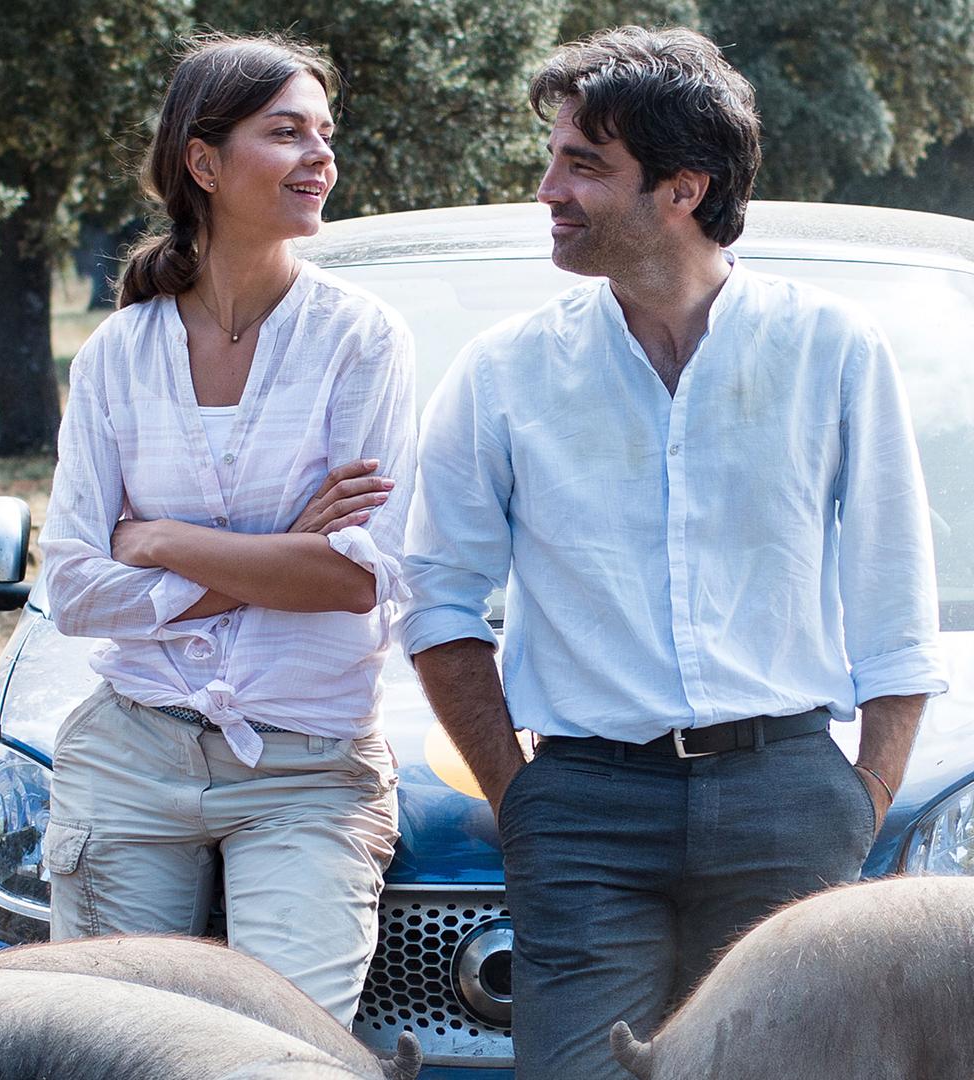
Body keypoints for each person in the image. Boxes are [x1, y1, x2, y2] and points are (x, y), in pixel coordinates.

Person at [399, 25, 948, 1079]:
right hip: (583, 808)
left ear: (683, 188)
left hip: (787, 799)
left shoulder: (830, 347)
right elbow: (436, 603)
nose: (550, 190)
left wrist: (857, 804)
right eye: (553, 158)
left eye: (583, 166)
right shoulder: (505, 372)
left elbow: (893, 600)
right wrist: (524, 802)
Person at [36, 33, 415, 1024]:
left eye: (325, 133)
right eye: (286, 132)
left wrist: (159, 542)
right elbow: (74, 590)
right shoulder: (118, 355)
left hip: (309, 767)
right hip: (129, 753)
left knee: (283, 1048)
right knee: (108, 1043)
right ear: (203, 162)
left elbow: (353, 578)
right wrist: (275, 551)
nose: (320, 156)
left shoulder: (360, 339)